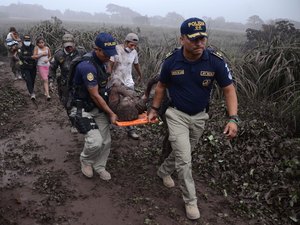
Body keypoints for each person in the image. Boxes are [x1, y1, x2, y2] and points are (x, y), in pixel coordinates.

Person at [148, 17, 239, 220]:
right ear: (182, 39)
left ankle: (163, 171)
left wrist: (233, 118)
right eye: (194, 39)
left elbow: (229, 89)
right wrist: (154, 109)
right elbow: (161, 86)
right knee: (185, 160)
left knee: (185, 152)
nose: (200, 43)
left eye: (203, 38)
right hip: (176, 114)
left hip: (200, 117)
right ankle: (191, 202)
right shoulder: (171, 61)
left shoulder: (214, 60)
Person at [69, 32, 118, 180]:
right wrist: (110, 113)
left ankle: (99, 166)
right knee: (95, 142)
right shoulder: (87, 66)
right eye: (106, 54)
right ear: (97, 49)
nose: (109, 57)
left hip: (97, 108)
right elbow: (95, 95)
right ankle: (86, 160)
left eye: (111, 54)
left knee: (106, 141)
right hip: (82, 108)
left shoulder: (103, 62)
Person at [107, 33, 143, 140]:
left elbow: (136, 64)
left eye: (135, 46)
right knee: (113, 104)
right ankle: (109, 124)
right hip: (115, 81)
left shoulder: (134, 52)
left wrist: (140, 74)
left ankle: (130, 129)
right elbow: (110, 64)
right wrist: (108, 76)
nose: (133, 48)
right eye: (131, 45)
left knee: (130, 105)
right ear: (126, 42)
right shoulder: (116, 50)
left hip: (128, 82)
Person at [49, 33, 86, 105]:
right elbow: (52, 68)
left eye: (71, 46)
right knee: (67, 103)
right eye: (67, 46)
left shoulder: (81, 51)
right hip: (66, 83)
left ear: (74, 43)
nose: (69, 48)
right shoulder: (59, 54)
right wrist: (51, 81)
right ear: (63, 45)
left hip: (80, 81)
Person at [18, 34, 37, 100]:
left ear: (30, 41)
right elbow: (21, 57)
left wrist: (29, 58)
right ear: (23, 41)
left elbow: (36, 56)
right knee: (28, 79)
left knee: (32, 80)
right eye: (26, 40)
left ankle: (31, 89)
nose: (27, 41)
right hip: (25, 67)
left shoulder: (33, 47)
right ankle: (32, 93)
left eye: (28, 40)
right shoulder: (21, 49)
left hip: (33, 67)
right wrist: (31, 57)